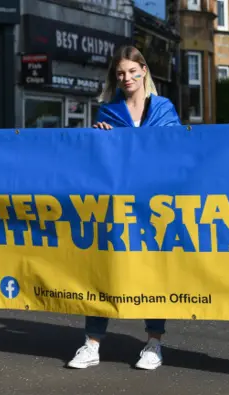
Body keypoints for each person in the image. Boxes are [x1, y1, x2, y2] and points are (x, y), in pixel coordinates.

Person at [66, 45, 181, 371]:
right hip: (117, 206)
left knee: (153, 270)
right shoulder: (108, 113)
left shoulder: (164, 109)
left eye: (132, 71)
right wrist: (98, 139)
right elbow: (98, 164)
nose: (127, 78)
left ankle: (154, 343)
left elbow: (178, 152)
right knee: (104, 267)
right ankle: (91, 344)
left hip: (155, 204)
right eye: (120, 73)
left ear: (144, 71)